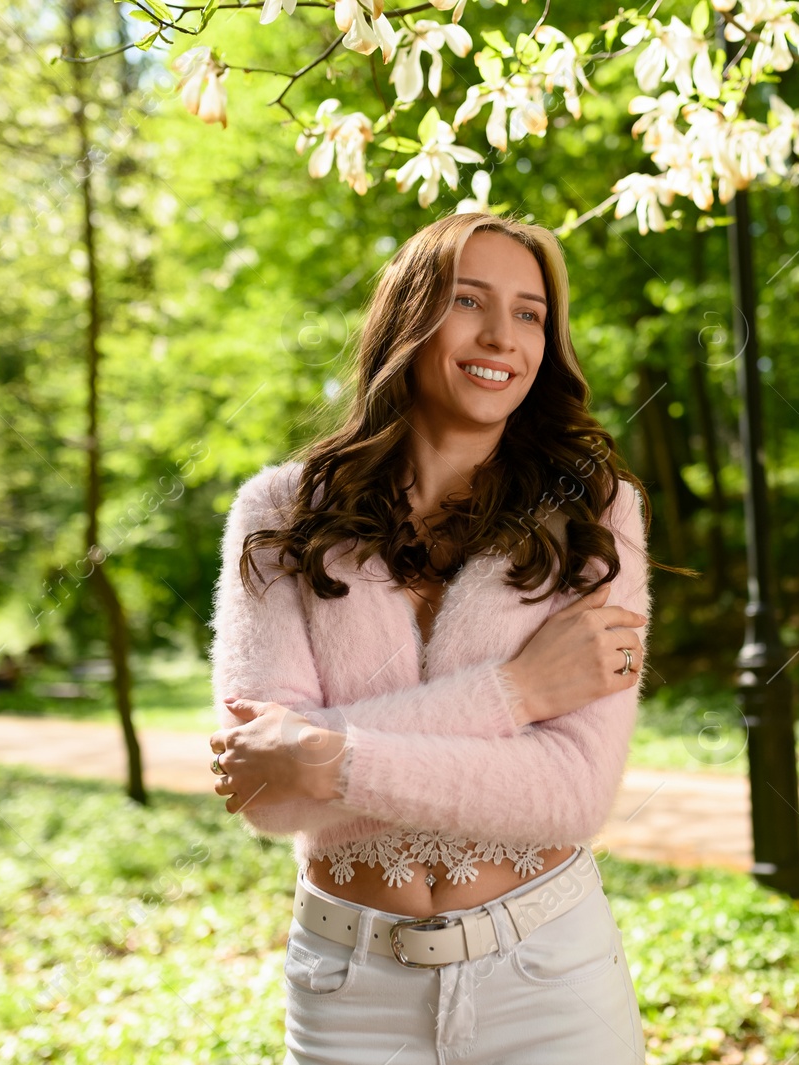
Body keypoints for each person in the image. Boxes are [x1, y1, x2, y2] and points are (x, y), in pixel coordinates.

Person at [208, 213, 681, 1064]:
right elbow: (270, 799)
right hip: (347, 987)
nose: (503, 335)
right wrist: (518, 695)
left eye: (531, 313)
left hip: (549, 978)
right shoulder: (279, 513)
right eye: (470, 300)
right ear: (409, 316)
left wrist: (324, 753)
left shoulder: (596, 513)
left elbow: (570, 792)